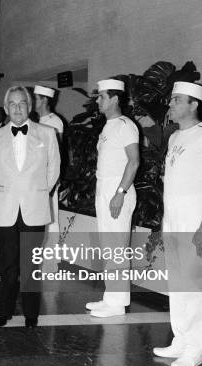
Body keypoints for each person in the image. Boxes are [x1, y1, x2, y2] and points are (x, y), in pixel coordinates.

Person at [153, 82, 202, 366]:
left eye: (176, 100)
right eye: (171, 99)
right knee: (178, 284)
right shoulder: (175, 137)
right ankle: (180, 341)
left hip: (197, 221)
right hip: (173, 221)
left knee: (195, 286)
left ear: (194, 104)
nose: (170, 104)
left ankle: (194, 350)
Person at [0, 86, 60, 328]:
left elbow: (54, 168)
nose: (17, 108)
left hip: (34, 207)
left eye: (22, 103)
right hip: (4, 208)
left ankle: (31, 314)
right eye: (12, 104)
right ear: (6, 109)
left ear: (29, 106)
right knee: (7, 265)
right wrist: (2, 192)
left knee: (31, 265)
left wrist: (37, 192)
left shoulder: (47, 133)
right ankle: (4, 312)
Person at [85, 79, 139, 318]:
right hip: (105, 188)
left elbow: (134, 161)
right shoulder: (108, 126)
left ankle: (118, 304)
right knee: (109, 247)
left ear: (115, 99)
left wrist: (120, 193)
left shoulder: (126, 125)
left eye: (102, 96)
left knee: (117, 247)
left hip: (119, 189)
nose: (98, 100)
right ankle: (111, 298)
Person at [34, 85, 64, 235]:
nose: (33, 102)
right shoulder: (35, 120)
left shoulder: (55, 121)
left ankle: (52, 255)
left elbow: (57, 152)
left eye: (36, 99)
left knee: (51, 217)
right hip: (35, 176)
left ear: (44, 100)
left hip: (48, 175)